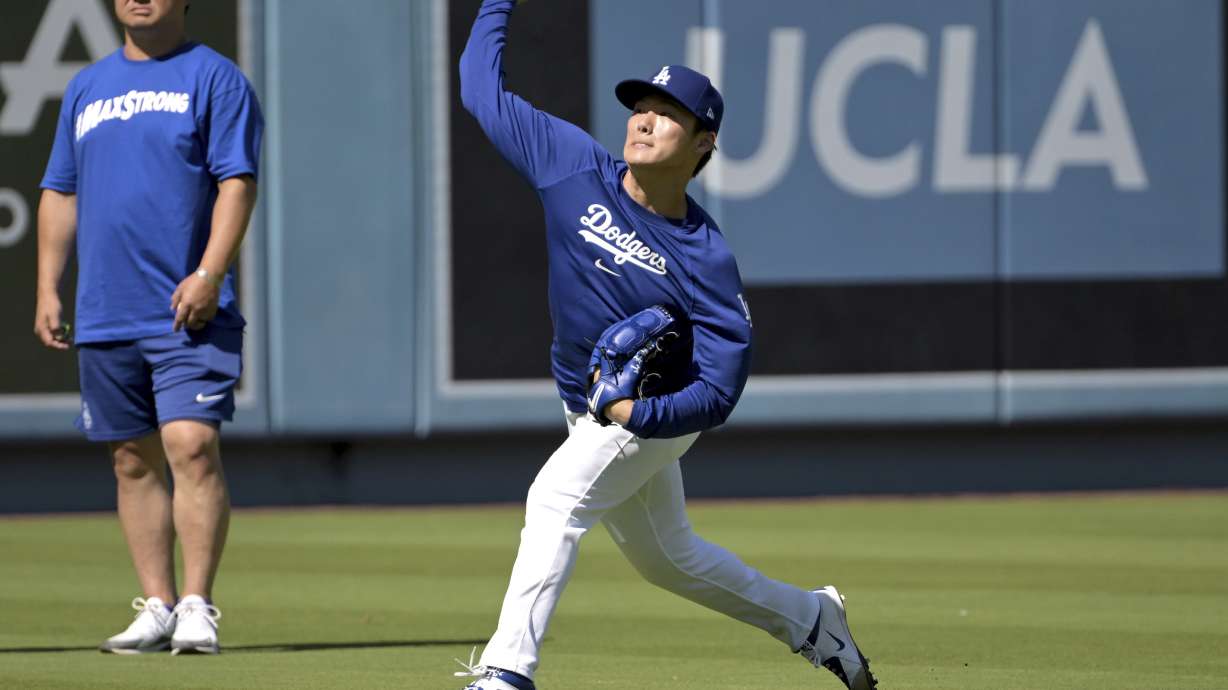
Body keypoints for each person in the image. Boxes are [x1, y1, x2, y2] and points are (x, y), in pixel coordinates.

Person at [455, 1, 876, 688]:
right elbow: (480, 87)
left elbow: (718, 388)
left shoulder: (704, 257)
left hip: (650, 410)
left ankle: (507, 673)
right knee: (668, 559)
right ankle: (811, 617)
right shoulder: (572, 167)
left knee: (555, 500)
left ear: (703, 144)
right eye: (639, 107)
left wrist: (638, 418)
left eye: (668, 113)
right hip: (583, 402)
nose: (645, 120)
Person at [34, 0, 262, 655]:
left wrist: (210, 273)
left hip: (186, 308)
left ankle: (197, 605)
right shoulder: (86, 86)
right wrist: (49, 285)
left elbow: (236, 183)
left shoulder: (215, 78)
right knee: (132, 459)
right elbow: (60, 190)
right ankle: (157, 605)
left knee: (190, 444)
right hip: (107, 309)